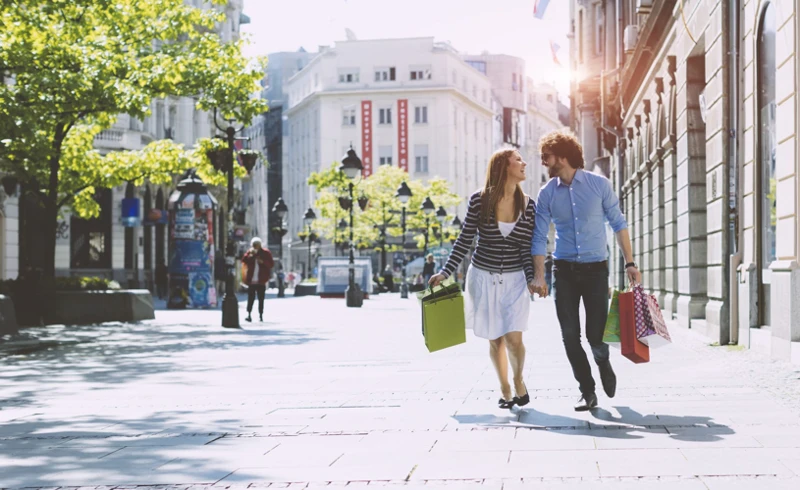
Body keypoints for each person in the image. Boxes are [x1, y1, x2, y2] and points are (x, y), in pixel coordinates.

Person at [530, 130, 641, 412]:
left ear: (563, 156)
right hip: (564, 271)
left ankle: (603, 361)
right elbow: (539, 234)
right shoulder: (546, 194)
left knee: (595, 336)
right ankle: (587, 390)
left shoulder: (598, 185)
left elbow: (618, 223)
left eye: (547, 156)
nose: (543, 162)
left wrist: (630, 263)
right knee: (569, 335)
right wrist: (540, 274)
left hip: (595, 271)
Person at [429, 149, 537, 410]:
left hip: (514, 280)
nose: (524, 163)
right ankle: (505, 389)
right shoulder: (480, 200)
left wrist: (533, 278)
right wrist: (445, 272)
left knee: (515, 338)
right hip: (482, 277)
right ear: (504, 166)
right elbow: (465, 239)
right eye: (518, 160)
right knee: (495, 339)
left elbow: (525, 247)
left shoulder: (528, 204)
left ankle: (519, 379)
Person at [240, 237, 274, 322]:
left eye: (257, 245)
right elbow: (243, 260)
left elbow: (271, 264)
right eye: (254, 245)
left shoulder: (265, 253)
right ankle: (249, 314)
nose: (255, 247)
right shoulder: (250, 252)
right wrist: (249, 255)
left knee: (261, 299)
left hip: (261, 280)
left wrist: (263, 262)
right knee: (250, 298)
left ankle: (260, 315)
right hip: (252, 280)